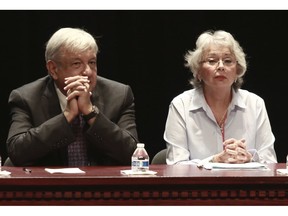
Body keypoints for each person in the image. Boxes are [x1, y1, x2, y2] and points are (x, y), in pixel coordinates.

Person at [6, 27, 138, 166]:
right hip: (51, 186)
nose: (87, 72)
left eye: (92, 62)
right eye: (77, 63)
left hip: (103, 186)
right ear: (53, 69)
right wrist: (67, 116)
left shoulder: (119, 95)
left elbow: (132, 153)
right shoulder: (26, 98)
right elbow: (17, 153)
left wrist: (91, 113)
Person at [163, 30, 277, 165]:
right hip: (198, 186)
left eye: (228, 61)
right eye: (212, 61)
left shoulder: (255, 104)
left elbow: (270, 163)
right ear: (198, 71)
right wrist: (214, 160)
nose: (221, 66)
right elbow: (176, 166)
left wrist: (249, 159)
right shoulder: (181, 105)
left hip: (245, 185)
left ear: (237, 71)